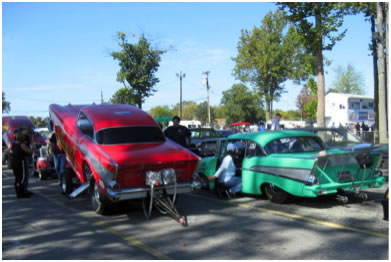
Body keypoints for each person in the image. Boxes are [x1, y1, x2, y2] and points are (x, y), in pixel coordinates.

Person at [11, 132, 33, 198]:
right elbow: (29, 151)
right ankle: (21, 193)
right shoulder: (21, 145)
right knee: (22, 178)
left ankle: (19, 192)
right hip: (20, 162)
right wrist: (33, 147)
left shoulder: (14, 144)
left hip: (14, 163)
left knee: (17, 178)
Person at [20, 126, 34, 196]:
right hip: (23, 157)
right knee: (25, 174)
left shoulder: (24, 136)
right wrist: (30, 151)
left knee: (25, 174)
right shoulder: (23, 137)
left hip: (25, 157)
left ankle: (25, 189)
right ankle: (24, 190)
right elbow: (23, 146)